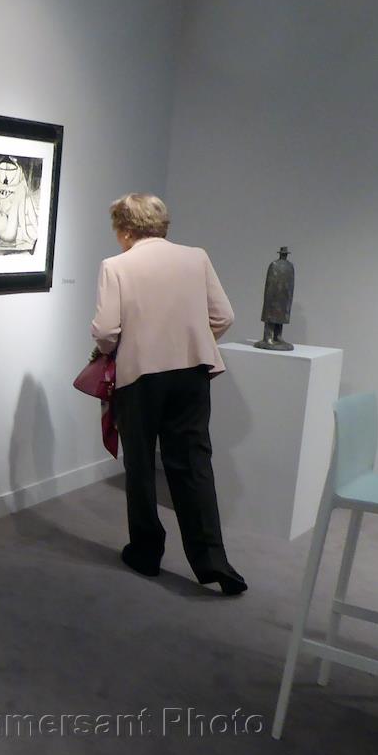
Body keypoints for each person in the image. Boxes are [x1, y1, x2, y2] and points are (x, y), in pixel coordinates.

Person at [90, 193, 247, 595]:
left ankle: (146, 552)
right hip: (192, 373)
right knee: (194, 464)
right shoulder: (196, 258)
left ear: (125, 229)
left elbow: (106, 331)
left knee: (141, 464)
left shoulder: (116, 266)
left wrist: (113, 350)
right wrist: (189, 338)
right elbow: (224, 316)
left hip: (140, 377)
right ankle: (213, 561)